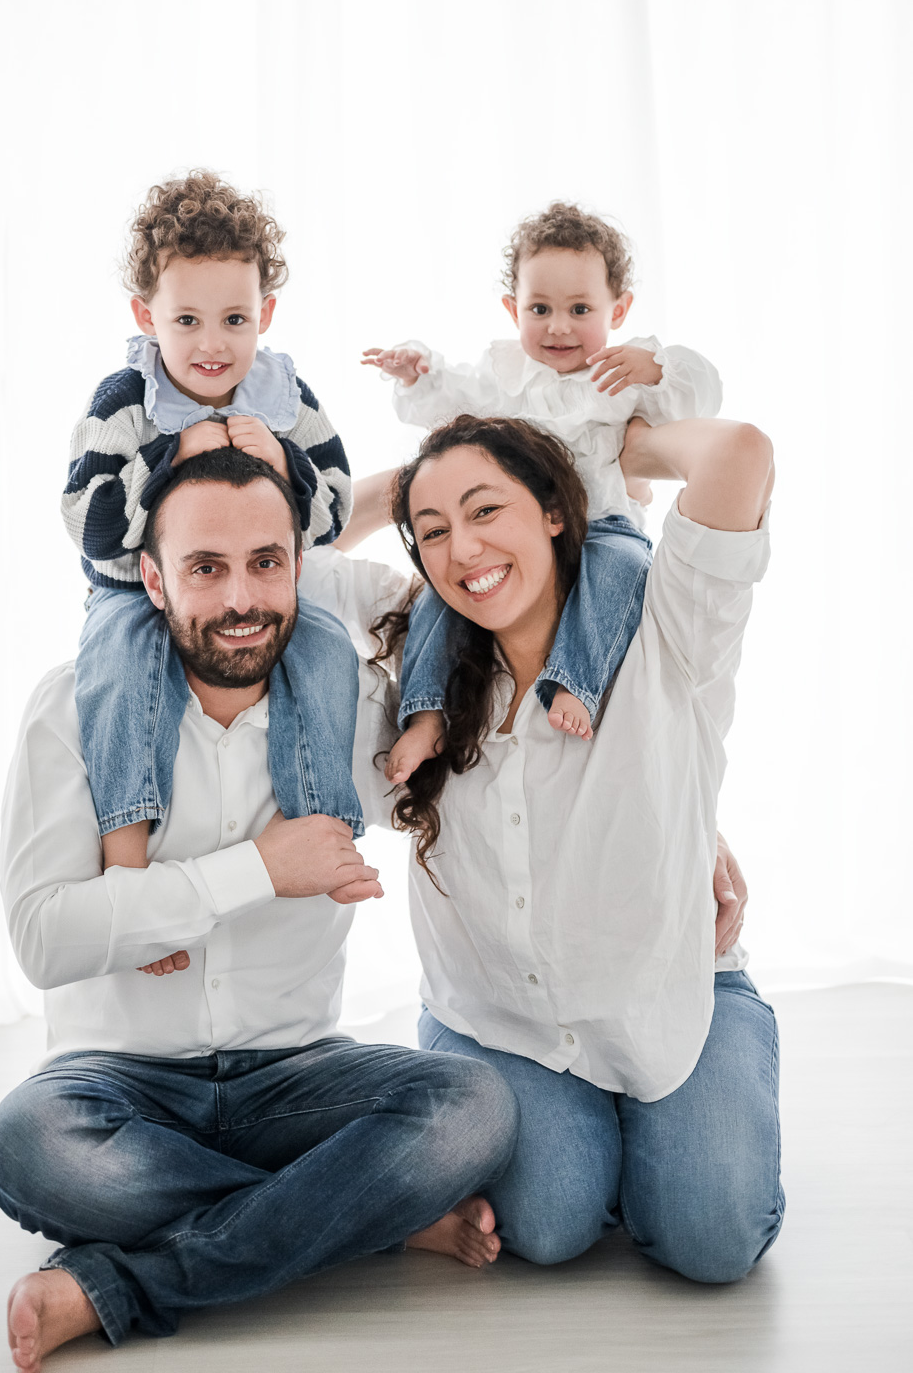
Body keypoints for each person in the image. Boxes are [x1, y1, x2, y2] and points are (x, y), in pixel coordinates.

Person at [0, 447, 519, 1371]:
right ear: (151, 578)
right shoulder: (73, 707)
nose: (243, 599)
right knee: (31, 1147)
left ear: (300, 569)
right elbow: (42, 940)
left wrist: (692, 835)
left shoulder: (352, 708)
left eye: (266, 563)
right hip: (120, 1082)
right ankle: (363, 1214)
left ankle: (126, 1284)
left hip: (295, 1076)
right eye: (206, 568)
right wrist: (259, 869)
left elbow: (510, 773)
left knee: (471, 1108)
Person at [301, 410, 783, 1283]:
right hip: (500, 1019)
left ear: (556, 512)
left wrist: (611, 451)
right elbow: (276, 567)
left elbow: (737, 454)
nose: (463, 550)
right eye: (434, 531)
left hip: (669, 1001)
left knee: (710, 1242)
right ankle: (585, 1134)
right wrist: (399, 487)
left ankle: (662, 1129)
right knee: (549, 1224)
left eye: (487, 511)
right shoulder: (415, 655)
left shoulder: (659, 625)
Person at [62, 170, 355, 898]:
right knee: (118, 672)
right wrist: (166, 459)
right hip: (137, 592)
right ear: (145, 314)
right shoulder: (126, 400)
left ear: (266, 313)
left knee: (324, 647)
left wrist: (282, 461)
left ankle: (323, 827)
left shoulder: (285, 399)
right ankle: (126, 857)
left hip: (244, 584)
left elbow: (336, 510)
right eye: (185, 321)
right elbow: (86, 521)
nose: (212, 344)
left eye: (235, 320)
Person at [361, 201, 721, 779]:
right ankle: (426, 711)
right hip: (518, 530)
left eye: (580, 309)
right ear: (512, 309)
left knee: (625, 565)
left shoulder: (617, 375)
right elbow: (449, 397)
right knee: (438, 594)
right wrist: (416, 370)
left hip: (600, 519)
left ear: (618, 308)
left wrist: (654, 366)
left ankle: (575, 682)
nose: (558, 326)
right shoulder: (504, 374)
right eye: (540, 308)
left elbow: (698, 394)